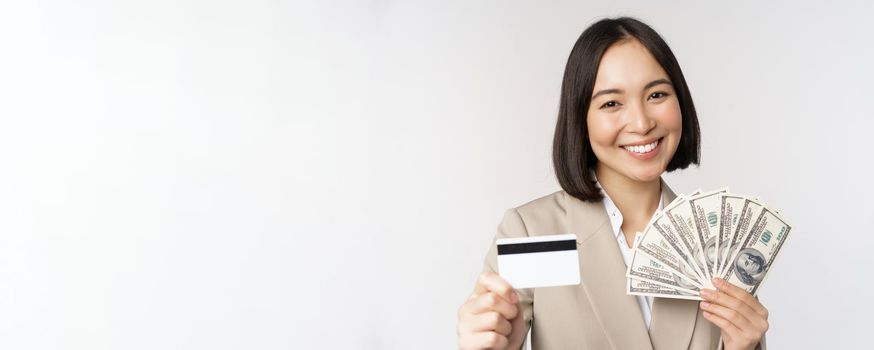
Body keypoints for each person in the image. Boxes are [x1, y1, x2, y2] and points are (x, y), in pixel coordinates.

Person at [457, 17, 769, 350]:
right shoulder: (533, 231)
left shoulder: (718, 243)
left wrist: (746, 347)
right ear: (581, 119)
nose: (641, 122)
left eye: (657, 94)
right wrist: (489, 343)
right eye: (611, 103)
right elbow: (497, 332)